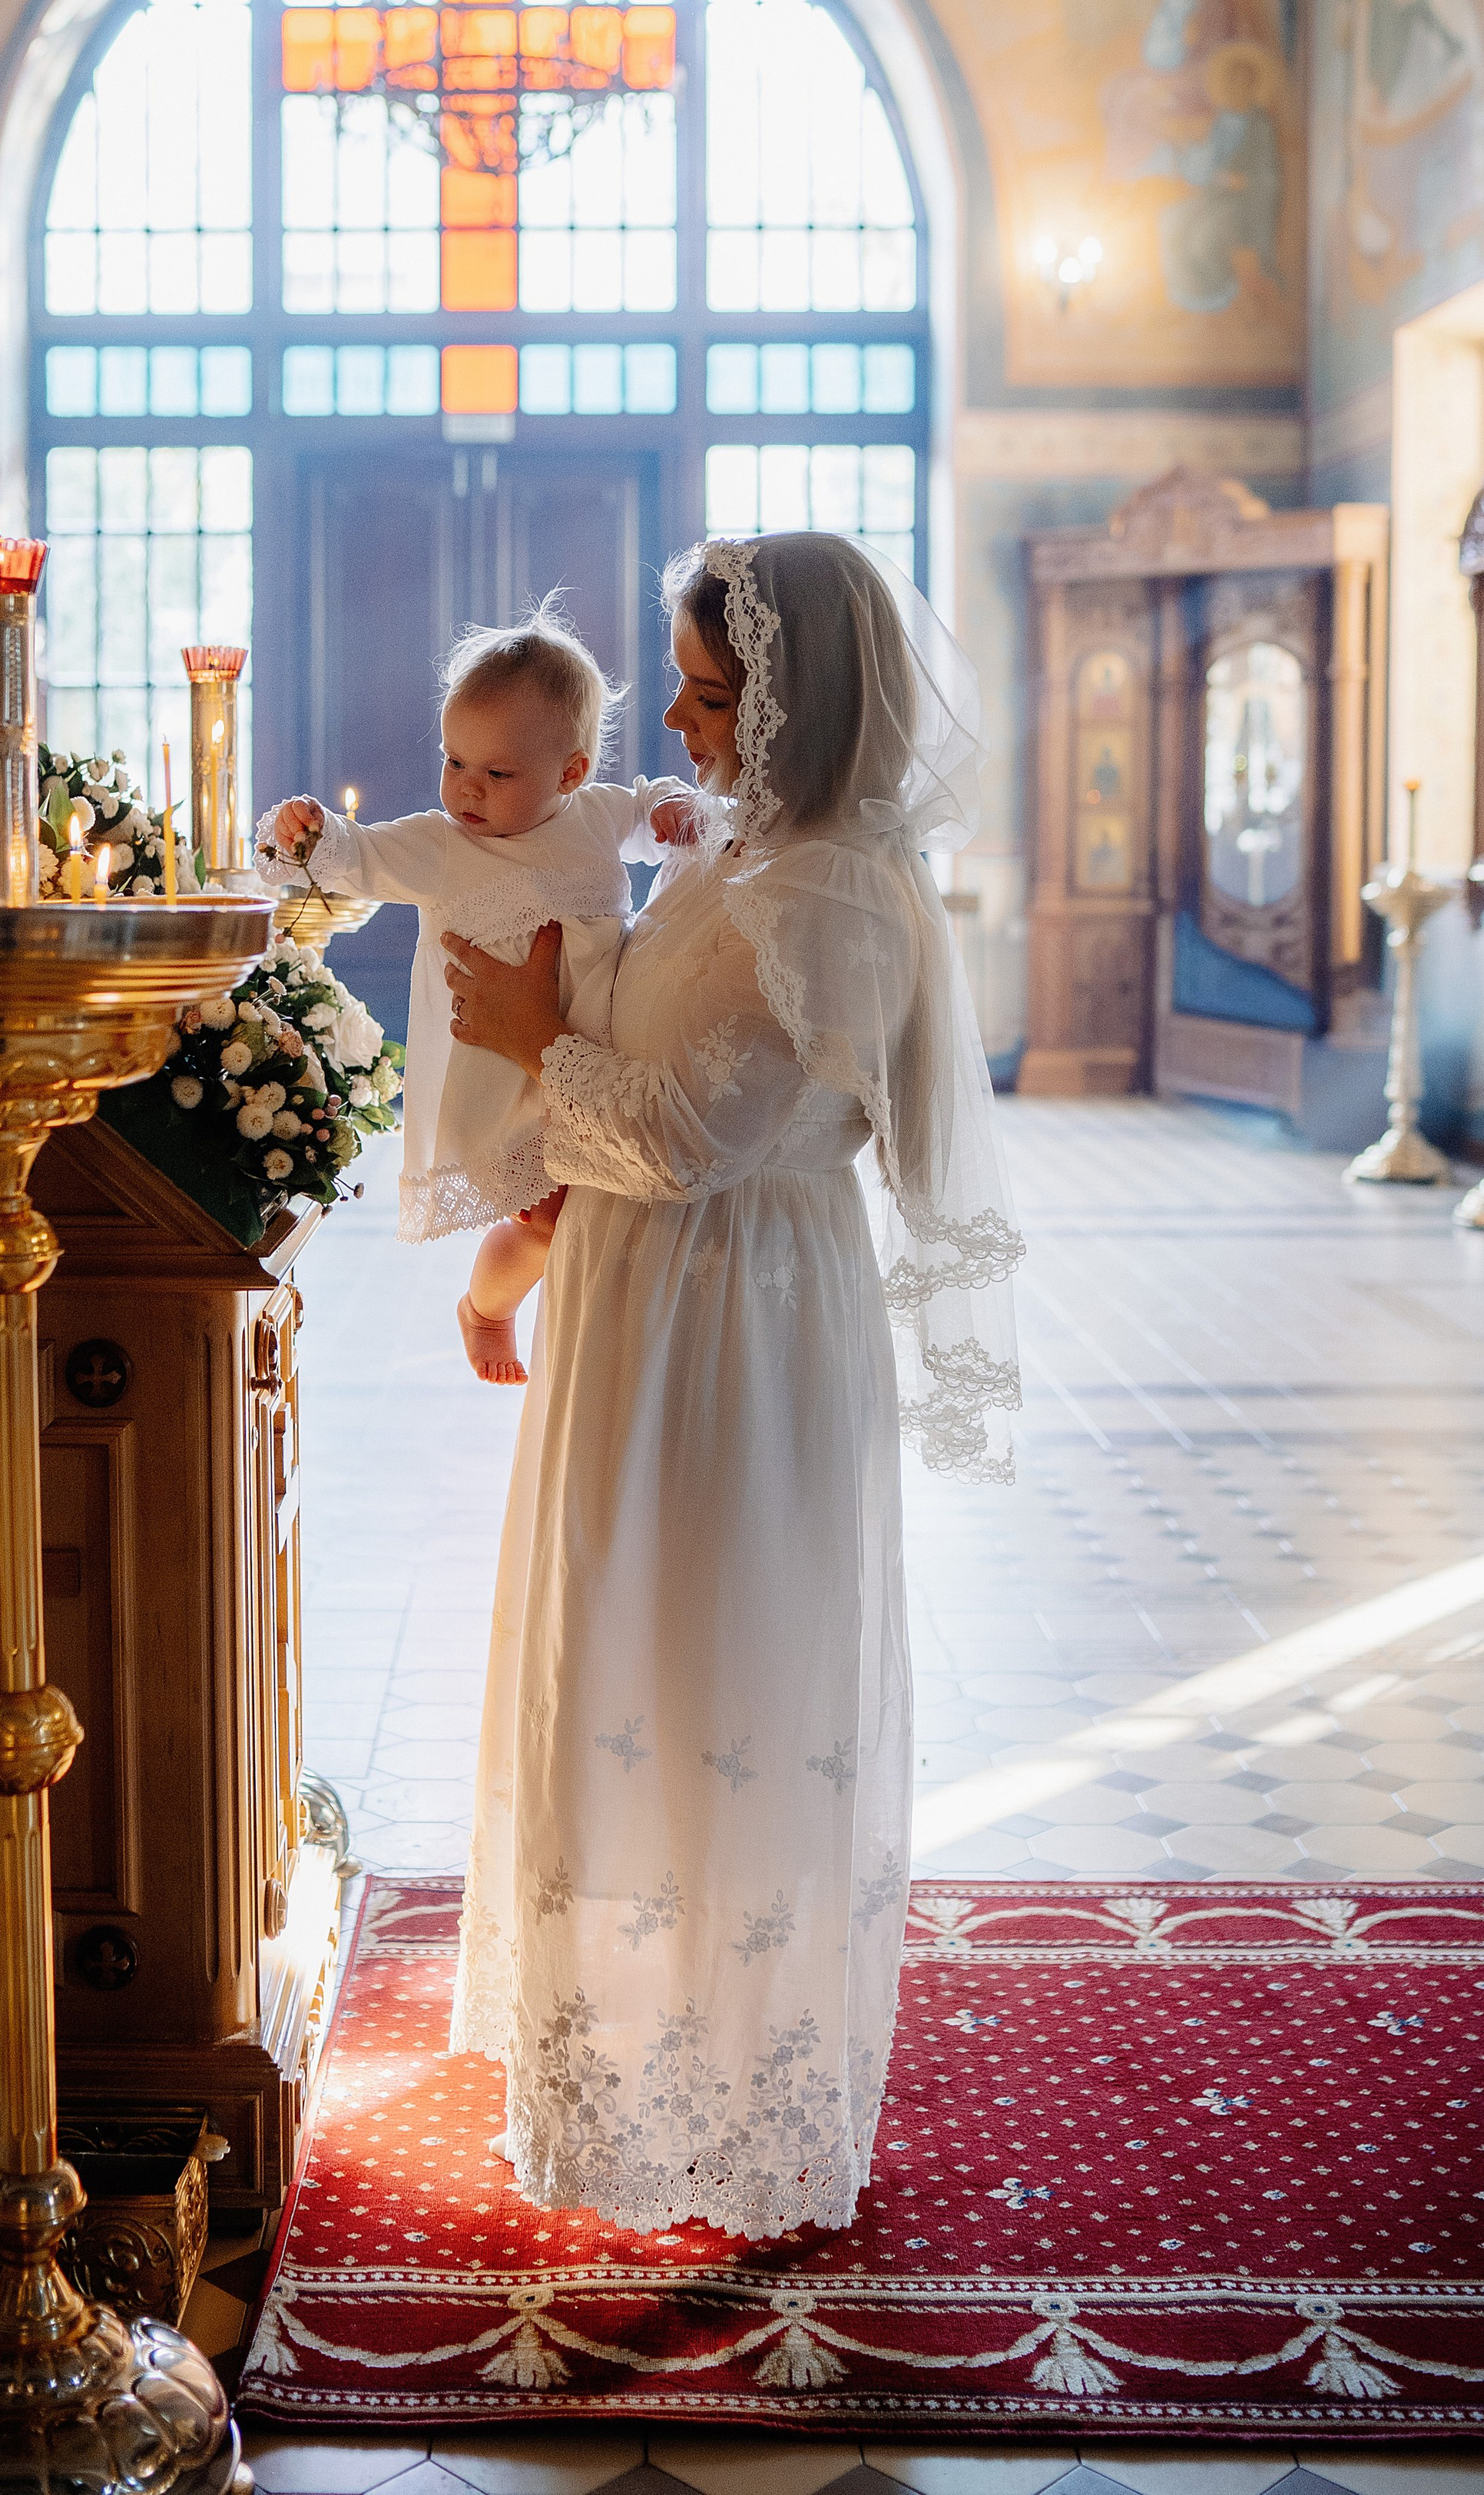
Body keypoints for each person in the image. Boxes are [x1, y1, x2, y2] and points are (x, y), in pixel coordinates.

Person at [441, 530, 1022, 2238]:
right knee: (620, 1644)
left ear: (797, 706)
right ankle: (624, 2042)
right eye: (685, 694)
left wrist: (523, 1039)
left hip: (734, 1319)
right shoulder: (750, 854)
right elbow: (639, 1058)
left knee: (710, 1660)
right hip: (646, 1297)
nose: (679, 732)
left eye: (707, 699)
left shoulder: (833, 888)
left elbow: (695, 1133)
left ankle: (730, 2068)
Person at [257, 605, 694, 1385]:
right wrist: (311, 833)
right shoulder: (440, 844)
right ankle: (487, 1309)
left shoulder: (596, 817)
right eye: (454, 761)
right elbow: (361, 855)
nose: (467, 789)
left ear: (570, 773)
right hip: (501, 1072)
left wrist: (669, 810)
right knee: (544, 1216)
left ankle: (582, 1335)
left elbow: (648, 810)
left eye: (497, 774)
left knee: (594, 1209)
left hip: (592, 1051)